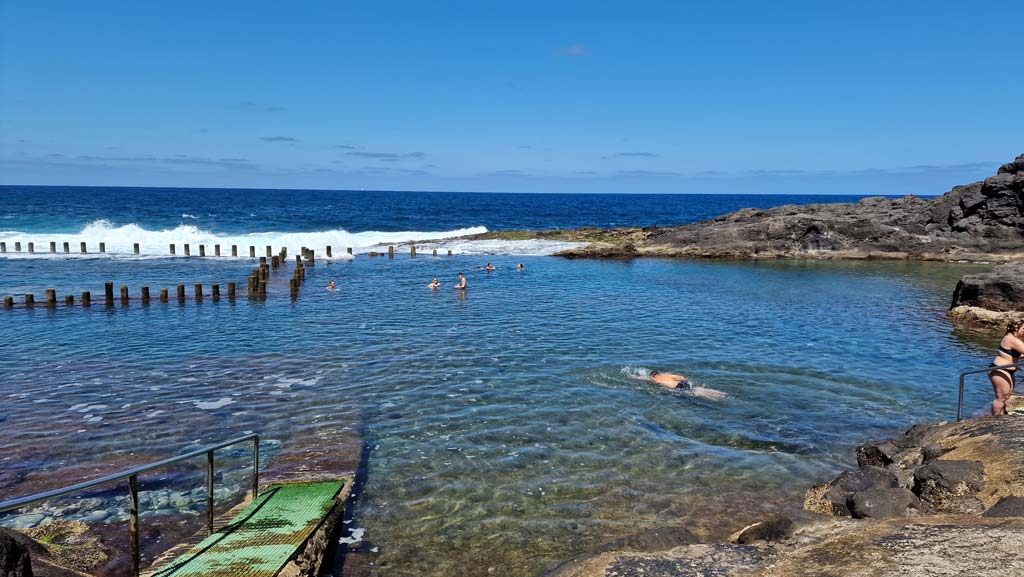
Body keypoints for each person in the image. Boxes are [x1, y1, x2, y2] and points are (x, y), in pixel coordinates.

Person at [988, 319, 1024, 415]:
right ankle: (993, 420)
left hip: (1007, 370)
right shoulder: (1012, 339)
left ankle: (1002, 414)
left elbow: (1012, 355)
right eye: (1023, 328)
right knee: (1001, 397)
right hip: (1000, 370)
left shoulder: (1010, 338)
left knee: (1006, 396)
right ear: (1016, 328)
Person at [631, 369, 728, 400]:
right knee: (695, 388)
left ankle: (717, 397)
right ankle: (721, 393)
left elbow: (642, 378)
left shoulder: (653, 379)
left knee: (695, 394)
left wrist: (632, 377)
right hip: (683, 382)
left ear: (653, 376)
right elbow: (682, 377)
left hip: (677, 387)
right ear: (659, 373)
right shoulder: (667, 374)